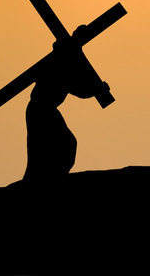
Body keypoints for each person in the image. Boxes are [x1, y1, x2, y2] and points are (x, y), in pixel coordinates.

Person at [22, 26, 108, 188]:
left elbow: (77, 88)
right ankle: (45, 182)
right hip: (41, 110)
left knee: (62, 144)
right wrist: (96, 89)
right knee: (49, 148)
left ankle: (50, 178)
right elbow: (77, 88)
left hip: (45, 110)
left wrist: (97, 89)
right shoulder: (59, 62)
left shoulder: (67, 61)